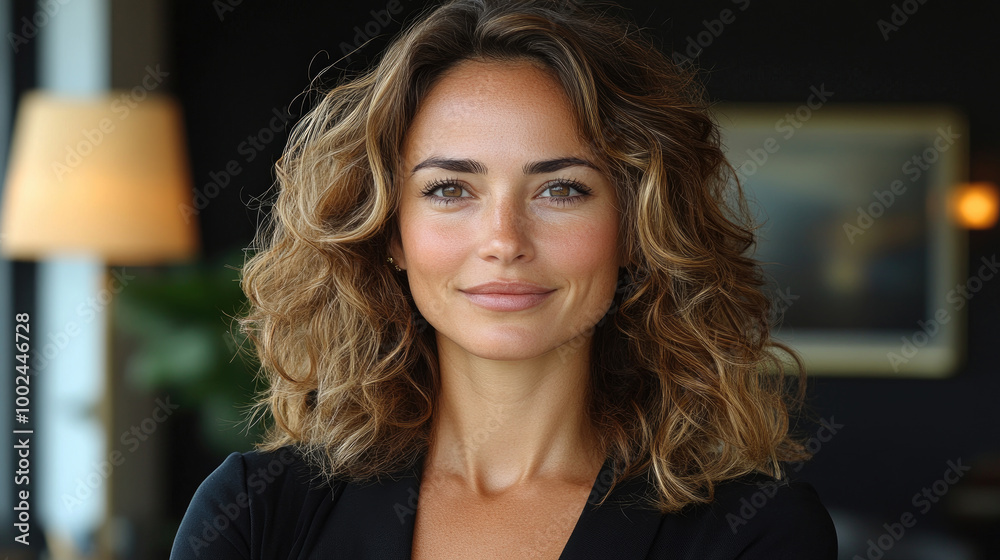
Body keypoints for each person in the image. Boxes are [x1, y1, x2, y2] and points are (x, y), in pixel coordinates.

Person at [170, 0, 839, 558]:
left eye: (561, 190)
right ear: (390, 232)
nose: (503, 241)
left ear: (637, 228)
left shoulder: (755, 532)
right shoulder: (256, 515)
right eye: (449, 189)